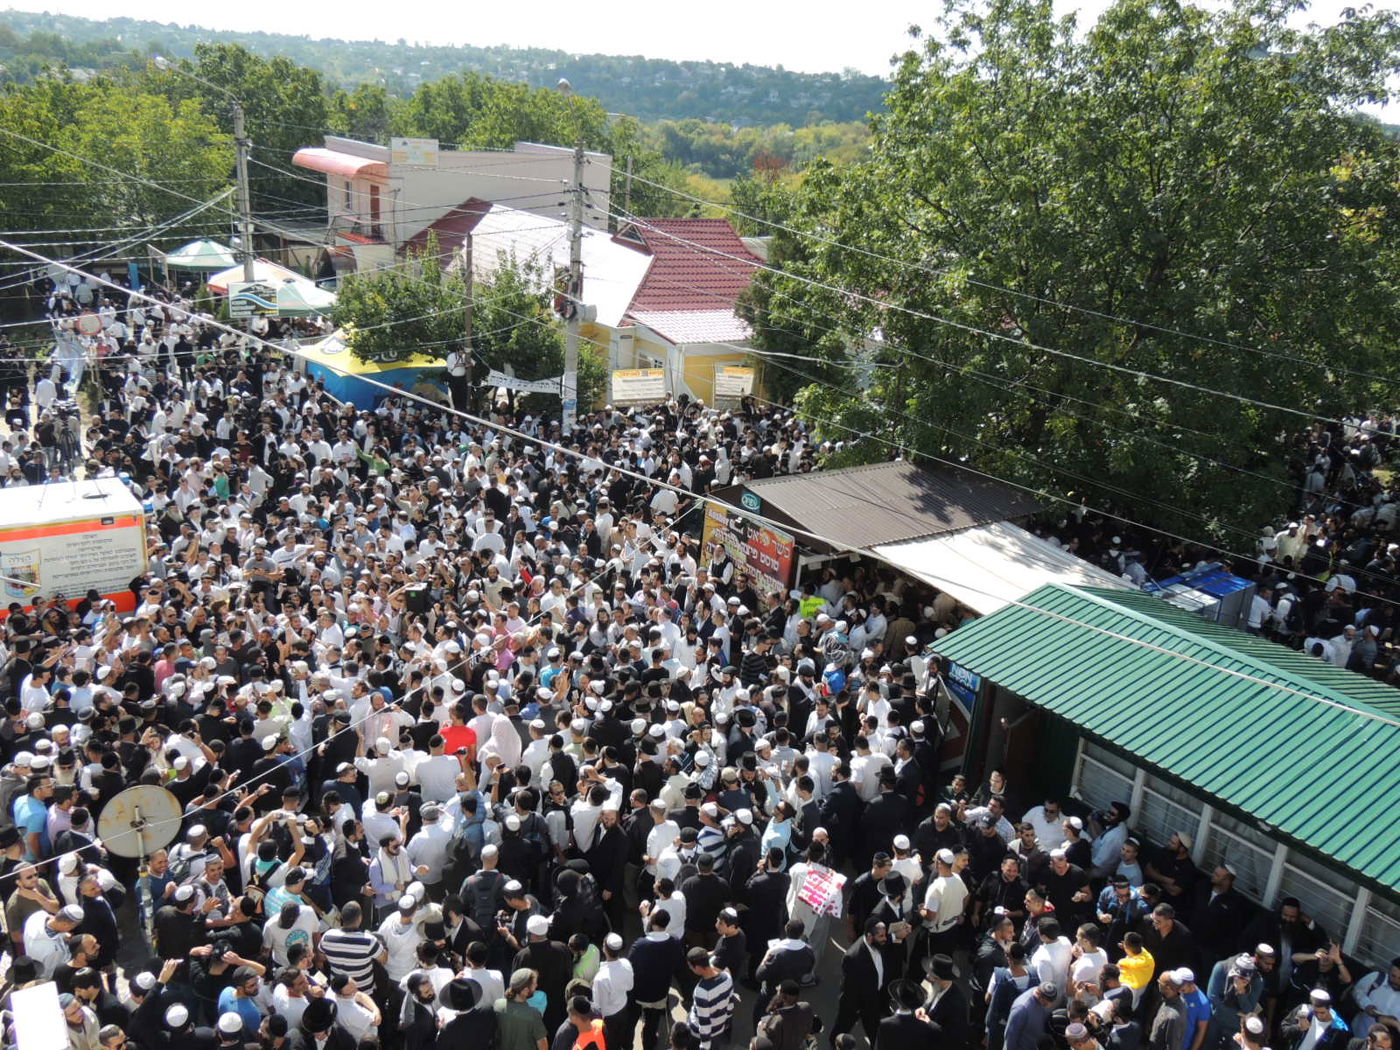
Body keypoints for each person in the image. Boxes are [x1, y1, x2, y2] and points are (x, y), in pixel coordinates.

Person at [831, 919, 896, 1047]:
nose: (885, 939)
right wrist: (856, 1008)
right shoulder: (853, 957)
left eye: (885, 935)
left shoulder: (877, 943)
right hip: (854, 1005)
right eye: (881, 936)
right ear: (870, 937)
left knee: (875, 1031)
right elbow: (849, 988)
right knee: (841, 1030)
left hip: (872, 999)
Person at [686, 949, 735, 1050]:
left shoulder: (701, 992)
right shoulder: (727, 977)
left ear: (698, 968)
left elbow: (704, 1023)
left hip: (698, 1035)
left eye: (691, 967)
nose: (691, 969)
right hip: (718, 1029)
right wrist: (726, 1023)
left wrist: (704, 1047)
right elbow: (730, 1004)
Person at [497, 968, 549, 1050]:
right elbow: (543, 1045)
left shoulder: (498, 1005)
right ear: (525, 991)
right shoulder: (533, 1014)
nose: (536, 986)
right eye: (534, 984)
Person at [1005, 981, 1057, 1050]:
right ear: (1038, 994)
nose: (1049, 1006)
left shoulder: (1044, 996)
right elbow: (1010, 1038)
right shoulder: (1021, 1010)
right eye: (1045, 1003)